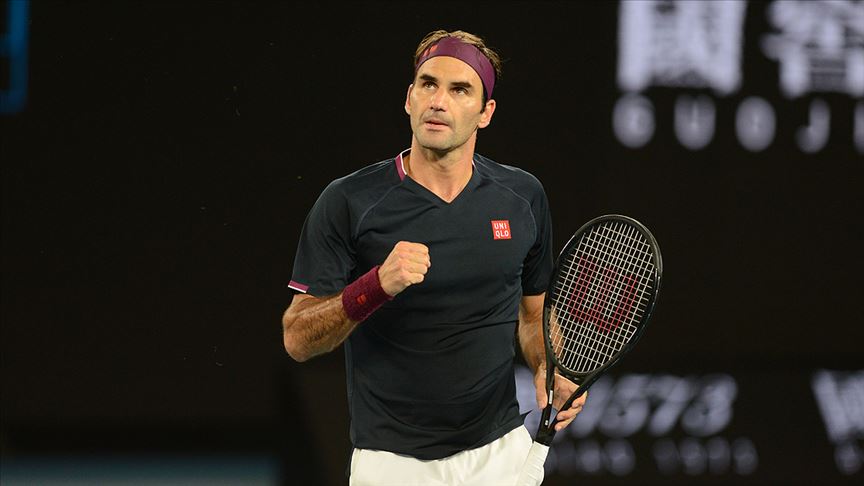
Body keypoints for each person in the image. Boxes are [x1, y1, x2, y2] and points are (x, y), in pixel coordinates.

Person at [282, 29, 587, 485]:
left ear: (486, 113)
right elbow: (297, 339)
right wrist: (373, 287)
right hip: (391, 463)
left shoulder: (523, 197)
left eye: (459, 90)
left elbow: (532, 316)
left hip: (498, 454)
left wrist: (548, 365)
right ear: (409, 98)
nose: (438, 101)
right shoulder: (348, 201)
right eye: (428, 84)